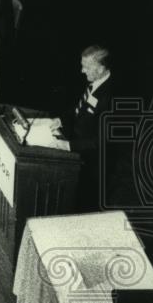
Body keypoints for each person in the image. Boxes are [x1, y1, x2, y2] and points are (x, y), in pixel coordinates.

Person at [52, 45, 114, 211]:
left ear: (101, 69)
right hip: (78, 149)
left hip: (92, 166)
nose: (82, 71)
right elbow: (79, 110)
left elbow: (101, 141)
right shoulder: (95, 82)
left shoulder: (110, 98)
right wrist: (61, 120)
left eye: (86, 67)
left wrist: (70, 146)